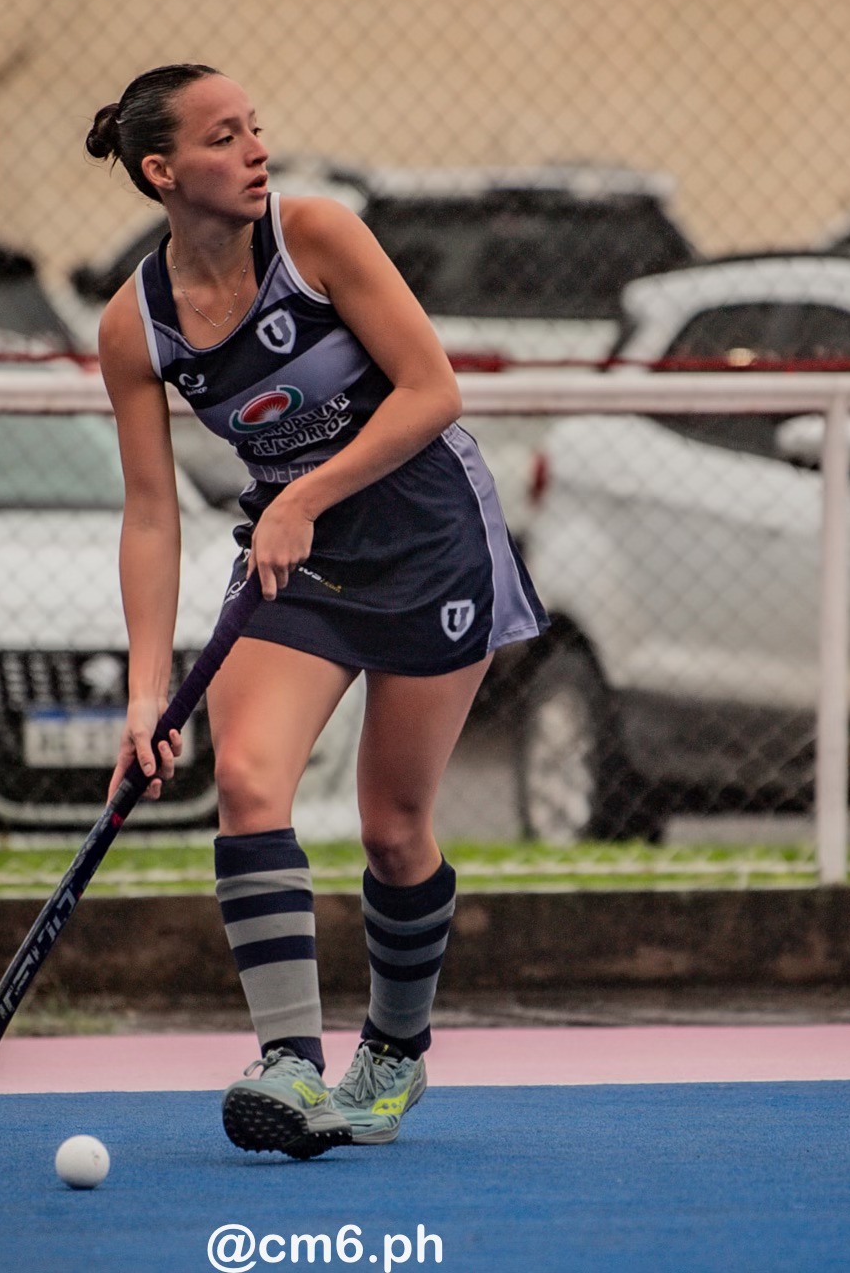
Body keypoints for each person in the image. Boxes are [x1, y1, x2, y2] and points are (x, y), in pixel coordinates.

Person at [86, 64, 547, 1160]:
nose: (254, 150)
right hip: (304, 570)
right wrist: (147, 696)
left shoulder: (319, 238)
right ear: (162, 171)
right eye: (222, 136)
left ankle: (392, 1051)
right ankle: (288, 1064)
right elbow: (150, 515)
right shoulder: (134, 327)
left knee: (393, 831)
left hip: (431, 543)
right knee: (245, 778)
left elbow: (435, 390)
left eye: (255, 130)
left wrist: (301, 492)